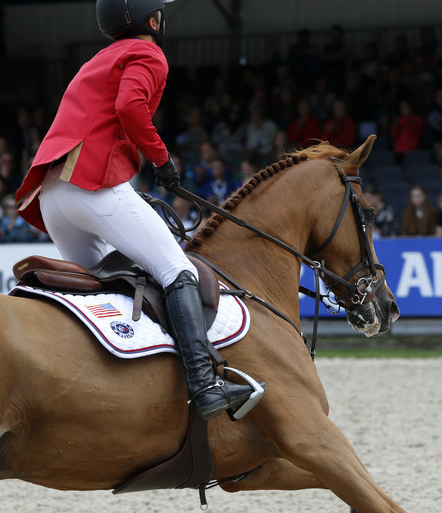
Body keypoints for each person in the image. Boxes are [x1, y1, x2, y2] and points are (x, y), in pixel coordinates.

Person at [14, 0, 264, 421]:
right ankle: (205, 384)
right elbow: (130, 107)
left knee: (104, 289)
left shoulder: (99, 58)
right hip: (93, 184)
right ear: (151, 20)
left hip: (53, 193)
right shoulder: (147, 52)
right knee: (176, 271)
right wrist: (162, 160)